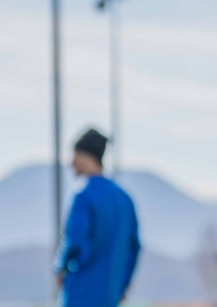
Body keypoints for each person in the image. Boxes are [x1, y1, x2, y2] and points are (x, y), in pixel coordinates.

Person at [54, 128, 141, 307]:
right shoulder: (124, 199)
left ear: (87, 156)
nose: (72, 162)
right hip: (111, 294)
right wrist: (122, 284)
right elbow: (134, 247)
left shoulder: (83, 196)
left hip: (81, 292)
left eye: (76, 155)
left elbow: (73, 241)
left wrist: (60, 268)